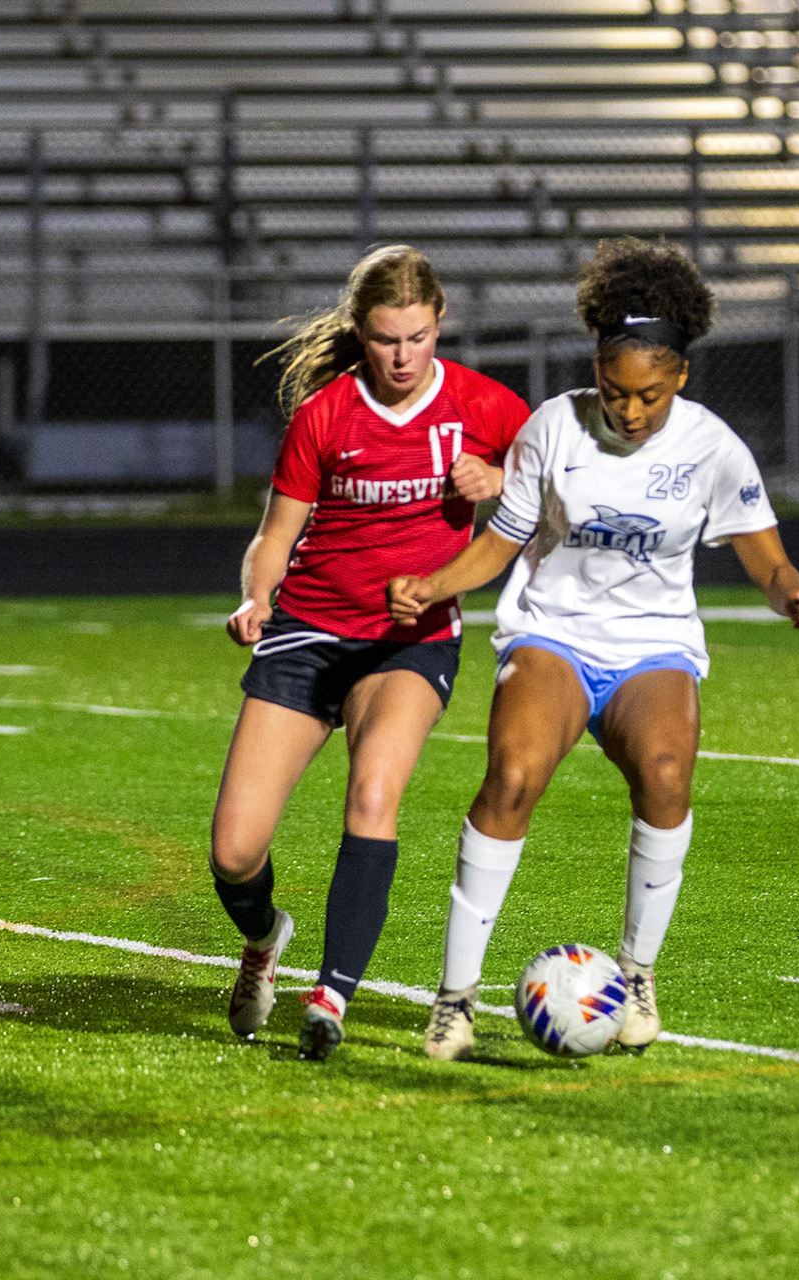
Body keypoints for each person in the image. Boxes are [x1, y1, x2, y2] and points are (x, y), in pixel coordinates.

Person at [384, 237, 799, 1063]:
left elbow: (765, 556)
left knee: (666, 775)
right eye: (617, 392)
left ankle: (638, 973)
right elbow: (503, 541)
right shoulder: (554, 428)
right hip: (553, 632)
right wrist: (436, 585)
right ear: (596, 368)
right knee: (512, 779)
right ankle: (454, 998)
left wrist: (791, 591)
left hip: (654, 644)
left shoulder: (712, 447)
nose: (631, 411)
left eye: (649, 395)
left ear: (680, 377)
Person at [211, 244, 530, 1061]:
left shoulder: (488, 406)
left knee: (374, 793)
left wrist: (499, 480)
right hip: (310, 631)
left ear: (441, 321)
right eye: (386, 339)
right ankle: (265, 938)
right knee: (235, 853)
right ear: (360, 330)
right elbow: (275, 536)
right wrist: (256, 597)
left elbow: (557, 486)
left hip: (410, 641)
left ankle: (331, 998)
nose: (402, 356)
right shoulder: (326, 415)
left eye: (418, 337)